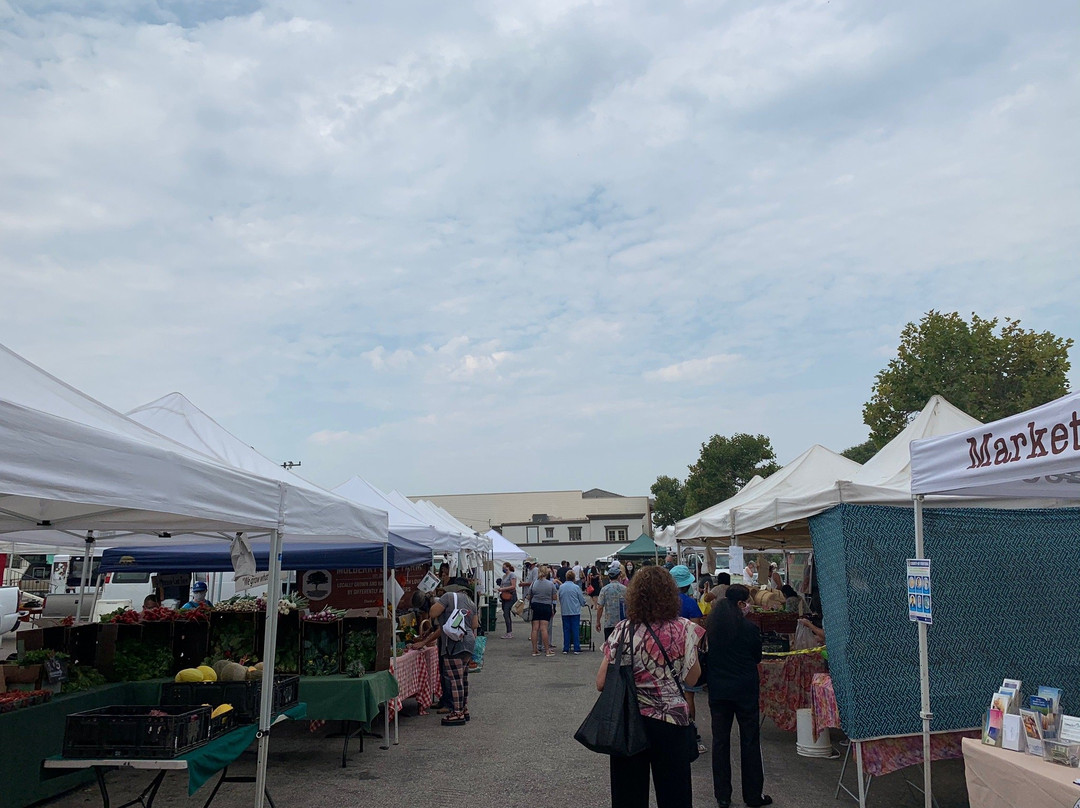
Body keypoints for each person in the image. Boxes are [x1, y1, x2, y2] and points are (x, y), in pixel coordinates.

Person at [595, 566, 704, 808]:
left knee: (628, 796)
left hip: (630, 720)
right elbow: (693, 679)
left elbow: (601, 682)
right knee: (675, 795)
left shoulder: (624, 629)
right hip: (671, 722)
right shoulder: (684, 628)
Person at [707, 584, 771, 808]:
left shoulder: (712, 627)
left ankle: (722, 795)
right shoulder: (750, 628)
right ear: (741, 603)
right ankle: (753, 795)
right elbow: (756, 657)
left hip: (719, 692)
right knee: (750, 741)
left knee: (720, 742)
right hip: (745, 690)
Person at [418, 576, 478, 726]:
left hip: (454, 644)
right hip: (468, 641)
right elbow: (475, 624)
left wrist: (434, 601)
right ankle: (464, 709)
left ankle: (457, 713)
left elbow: (432, 613)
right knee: (463, 678)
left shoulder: (448, 597)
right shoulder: (471, 602)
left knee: (455, 680)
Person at [670, 565, 707, 754]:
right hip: (688, 655)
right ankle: (691, 733)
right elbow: (697, 633)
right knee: (688, 694)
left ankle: (672, 730)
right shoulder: (691, 603)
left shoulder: (664, 603)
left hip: (667, 654)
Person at [528, 565, 557, 657]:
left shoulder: (534, 583)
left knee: (535, 628)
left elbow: (529, 595)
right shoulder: (550, 584)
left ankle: (534, 650)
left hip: (535, 605)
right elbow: (554, 597)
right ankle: (547, 650)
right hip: (546, 606)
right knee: (544, 628)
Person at [595, 562, 627, 641]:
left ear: (609, 576)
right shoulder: (625, 589)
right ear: (619, 576)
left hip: (609, 622)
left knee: (609, 646)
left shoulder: (605, 589)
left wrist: (598, 621)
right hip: (622, 622)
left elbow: (600, 607)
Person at [557, 570, 587, 654]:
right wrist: (584, 603)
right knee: (575, 629)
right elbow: (581, 599)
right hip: (575, 611)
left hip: (565, 611)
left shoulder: (561, 587)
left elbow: (560, 597)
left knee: (566, 630)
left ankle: (566, 648)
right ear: (574, 578)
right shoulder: (576, 587)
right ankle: (576, 648)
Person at [498, 563, 518, 639]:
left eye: (504, 567)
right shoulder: (504, 576)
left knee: (506, 613)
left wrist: (503, 589)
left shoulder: (512, 575)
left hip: (510, 596)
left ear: (508, 568)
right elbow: (503, 585)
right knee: (505, 614)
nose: (503, 569)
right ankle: (508, 631)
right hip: (504, 596)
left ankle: (509, 632)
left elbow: (513, 586)